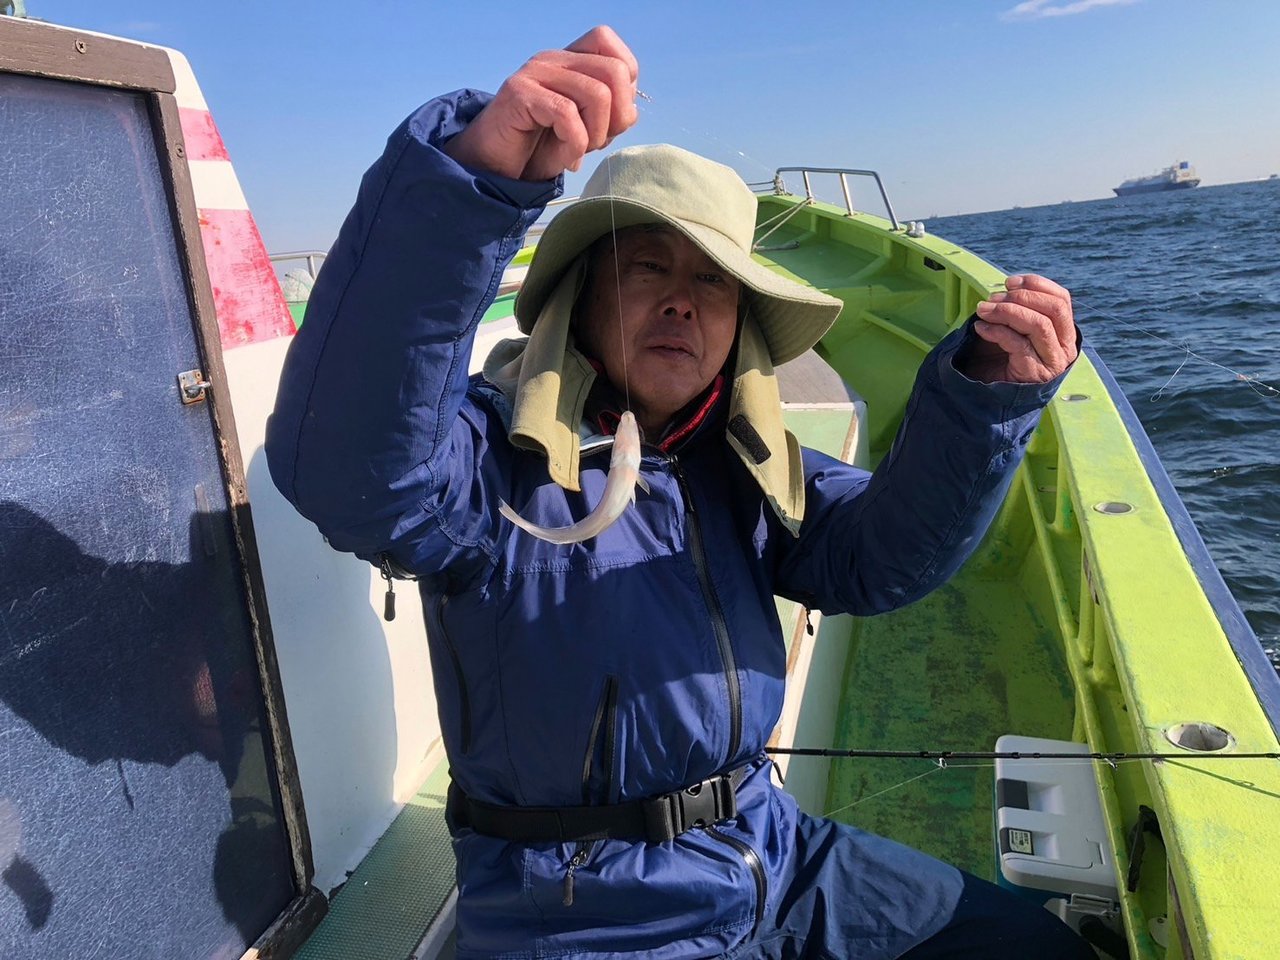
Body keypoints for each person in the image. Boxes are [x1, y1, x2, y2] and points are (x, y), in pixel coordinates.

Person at [266, 25, 1092, 960]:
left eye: (712, 281)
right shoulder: (485, 458)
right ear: (579, 295)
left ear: (740, 325)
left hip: (772, 852)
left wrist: (982, 398)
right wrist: (471, 180)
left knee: (1034, 950)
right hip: (581, 910)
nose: (681, 302)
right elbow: (353, 471)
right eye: (647, 266)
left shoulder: (743, 463)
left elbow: (878, 558)